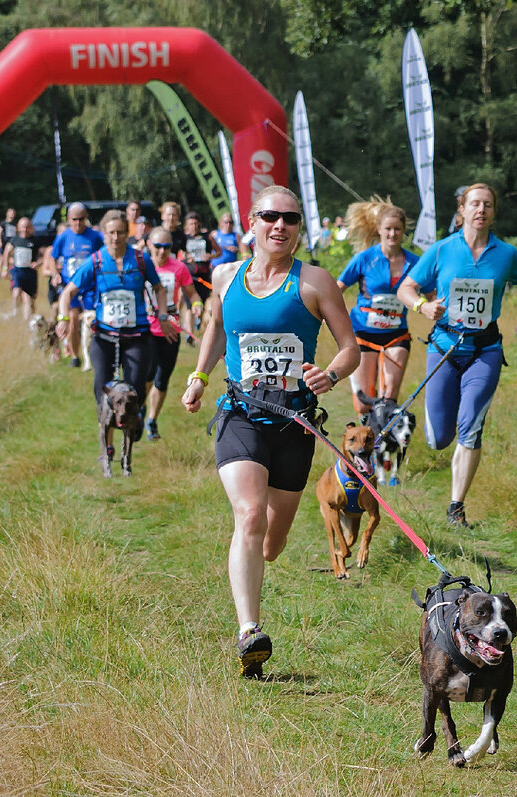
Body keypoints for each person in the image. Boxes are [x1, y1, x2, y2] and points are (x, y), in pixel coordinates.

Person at [180, 185, 359, 678]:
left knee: (271, 543)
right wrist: (198, 376)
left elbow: (350, 347)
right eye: (269, 216)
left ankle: (251, 569)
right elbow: (217, 327)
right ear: (251, 223)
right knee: (249, 512)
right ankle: (249, 632)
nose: (280, 226)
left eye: (291, 219)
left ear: (300, 228)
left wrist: (332, 374)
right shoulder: (224, 276)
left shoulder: (317, 281)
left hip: (295, 421)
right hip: (240, 413)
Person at [396, 183, 517, 527]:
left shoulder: (506, 254)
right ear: (462, 209)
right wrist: (423, 306)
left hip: (485, 350)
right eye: (475, 204)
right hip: (444, 348)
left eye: (488, 205)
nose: (481, 210)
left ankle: (456, 507)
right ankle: (438, 438)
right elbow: (406, 288)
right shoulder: (442, 250)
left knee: (471, 426)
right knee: (438, 438)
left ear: (493, 212)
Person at [56, 210, 171, 428]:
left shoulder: (140, 258)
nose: (116, 237)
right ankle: (106, 445)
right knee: (102, 390)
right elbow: (67, 292)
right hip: (104, 335)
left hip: (137, 335)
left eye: (119, 232)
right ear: (104, 234)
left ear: (126, 233)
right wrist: (63, 318)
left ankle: (134, 420)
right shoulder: (96, 260)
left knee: (135, 389)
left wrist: (162, 315)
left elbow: (159, 289)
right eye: (111, 233)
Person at [337, 197, 418, 420]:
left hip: (396, 335)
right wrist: (329, 315)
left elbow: (431, 293)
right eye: (388, 229)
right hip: (364, 333)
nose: (393, 234)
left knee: (388, 401)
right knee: (364, 404)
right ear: (379, 230)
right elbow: (337, 288)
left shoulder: (414, 263)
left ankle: (385, 449)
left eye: (397, 229)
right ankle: (366, 440)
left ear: (403, 232)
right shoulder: (365, 259)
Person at [143, 228, 200, 440]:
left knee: (162, 378)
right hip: (147, 328)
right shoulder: (141, 267)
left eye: (167, 247)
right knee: (146, 375)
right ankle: (139, 409)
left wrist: (196, 305)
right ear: (149, 245)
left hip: (171, 331)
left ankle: (151, 420)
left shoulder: (179, 268)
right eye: (157, 246)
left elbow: (192, 293)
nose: (162, 251)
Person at [47, 202, 104, 367]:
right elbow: (52, 258)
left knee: (91, 320)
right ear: (69, 219)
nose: (78, 223)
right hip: (70, 286)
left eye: (81, 219)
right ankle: (74, 355)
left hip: (90, 286)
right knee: (72, 319)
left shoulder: (95, 236)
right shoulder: (63, 236)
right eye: (74, 219)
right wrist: (55, 273)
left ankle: (93, 354)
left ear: (86, 218)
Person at [179, 211, 220, 339]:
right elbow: (178, 252)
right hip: (188, 275)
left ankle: (198, 322)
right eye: (191, 224)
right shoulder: (184, 238)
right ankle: (189, 334)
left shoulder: (207, 237)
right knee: (189, 303)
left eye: (196, 224)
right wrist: (185, 257)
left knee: (201, 301)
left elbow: (218, 251)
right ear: (187, 225)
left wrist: (210, 256)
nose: (194, 226)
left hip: (203, 275)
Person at [1, 216, 42, 319]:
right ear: (18, 228)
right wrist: (5, 268)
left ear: (31, 228)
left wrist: (38, 263)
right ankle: (14, 313)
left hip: (30, 273)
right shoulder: (14, 240)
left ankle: (27, 320)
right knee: (16, 292)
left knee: (29, 300)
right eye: (23, 227)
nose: (25, 230)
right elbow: (6, 252)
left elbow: (44, 255)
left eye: (27, 227)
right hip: (17, 270)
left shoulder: (35, 241)